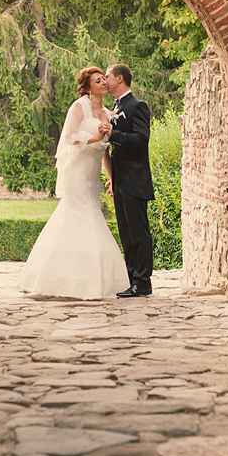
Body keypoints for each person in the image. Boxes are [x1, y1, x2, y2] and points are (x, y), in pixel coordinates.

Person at [20, 67, 129, 299]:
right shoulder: (79, 106)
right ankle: (56, 278)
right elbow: (69, 139)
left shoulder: (109, 113)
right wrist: (95, 137)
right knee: (77, 214)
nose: (103, 83)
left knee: (92, 213)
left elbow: (105, 151)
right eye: (97, 80)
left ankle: (93, 278)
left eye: (103, 79)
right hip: (77, 171)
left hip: (92, 174)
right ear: (88, 87)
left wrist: (111, 178)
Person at [98, 63, 154, 298]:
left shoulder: (137, 105)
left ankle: (142, 283)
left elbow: (141, 139)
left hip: (135, 179)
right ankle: (132, 279)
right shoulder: (116, 106)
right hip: (121, 180)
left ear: (119, 79)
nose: (104, 80)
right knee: (126, 234)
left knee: (138, 233)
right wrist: (112, 178)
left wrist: (114, 134)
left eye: (107, 76)